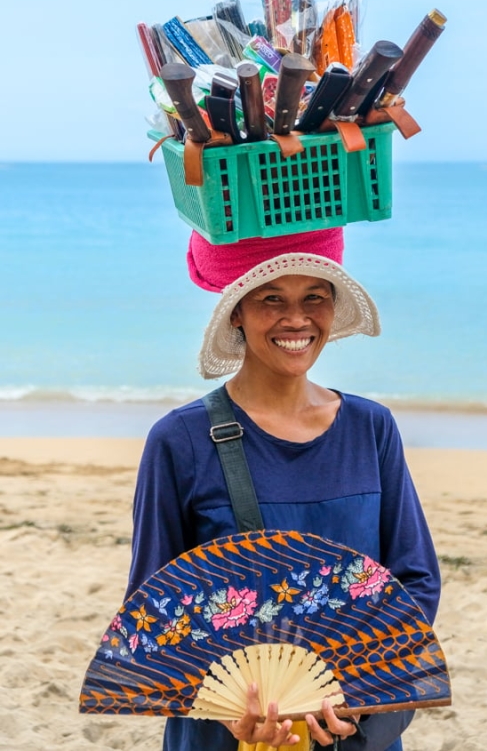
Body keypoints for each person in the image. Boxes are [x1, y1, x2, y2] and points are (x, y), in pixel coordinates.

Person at [125, 230, 441, 751]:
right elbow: (151, 608)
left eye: (314, 296)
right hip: (226, 734)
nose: (296, 319)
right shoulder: (180, 441)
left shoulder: (371, 428)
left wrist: (362, 689)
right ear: (236, 314)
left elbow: (414, 579)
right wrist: (226, 711)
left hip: (353, 723)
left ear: (333, 309)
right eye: (272, 299)